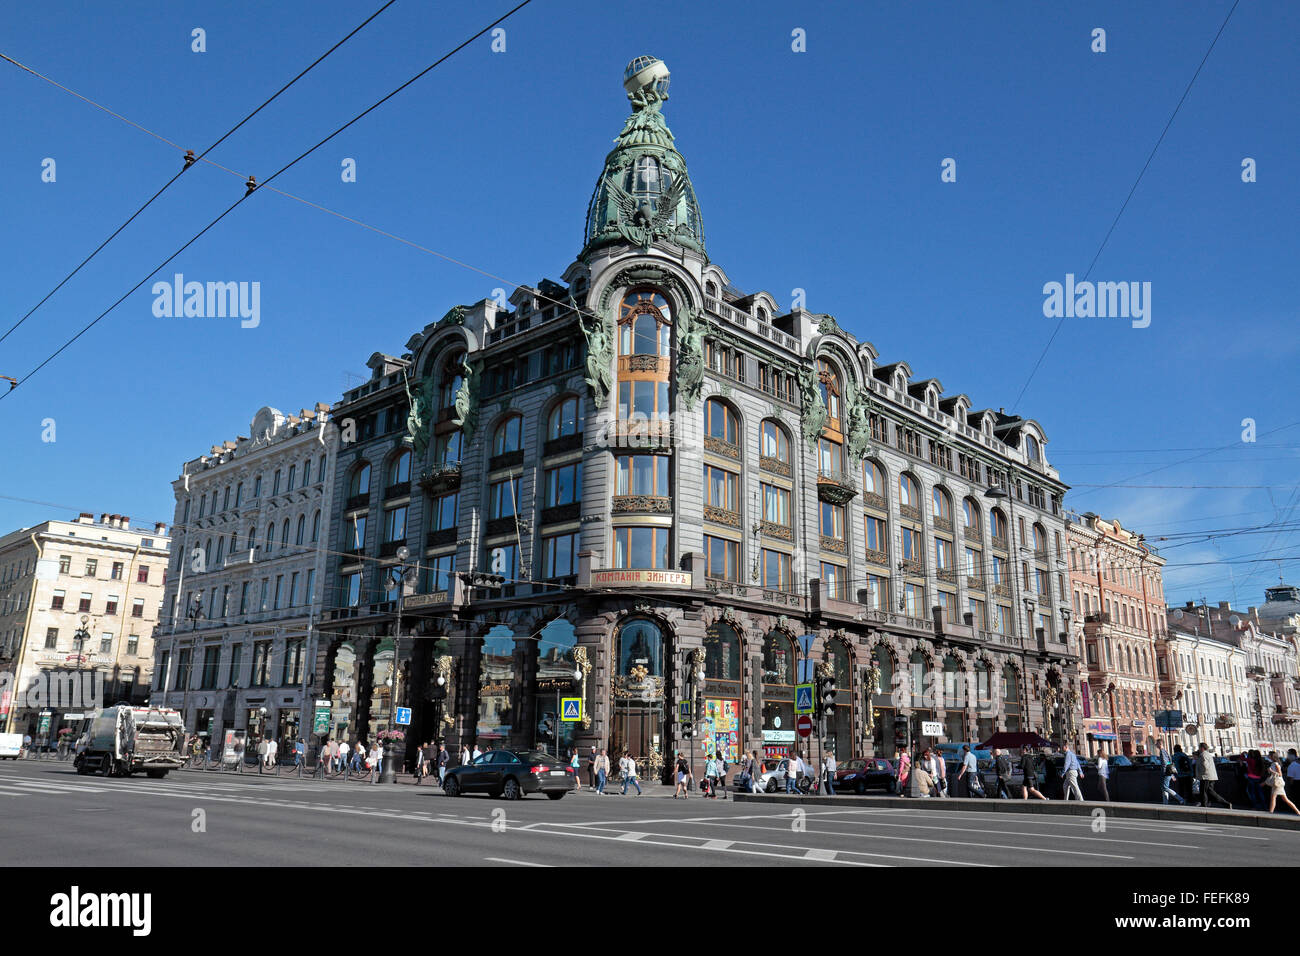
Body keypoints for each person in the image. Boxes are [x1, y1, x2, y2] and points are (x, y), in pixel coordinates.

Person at [1195, 743, 1231, 808]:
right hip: (1211, 776)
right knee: (1209, 791)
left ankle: (1205, 805)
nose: (1199, 749)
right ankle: (1225, 804)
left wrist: (1200, 772)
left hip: (1205, 776)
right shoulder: (1208, 754)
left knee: (1204, 792)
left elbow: (1205, 766)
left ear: (1202, 748)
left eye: (1199, 747)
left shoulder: (1203, 755)